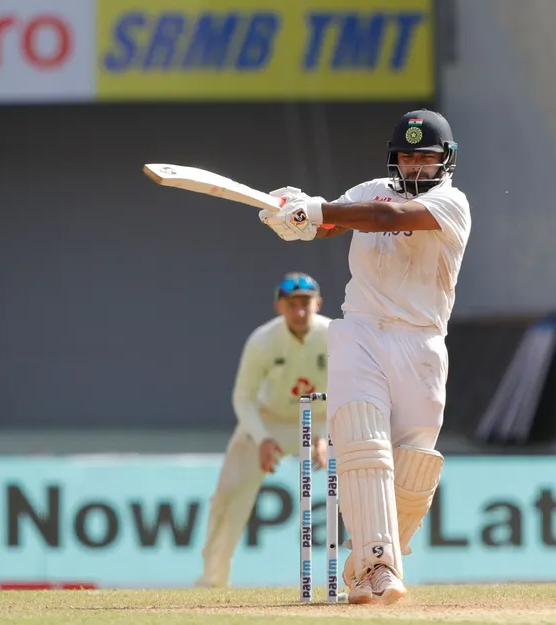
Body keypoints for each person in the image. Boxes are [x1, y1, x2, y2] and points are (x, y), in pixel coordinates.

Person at [258, 109, 471, 605]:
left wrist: (317, 211)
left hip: (421, 341)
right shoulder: (370, 189)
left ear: (445, 162)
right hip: (360, 332)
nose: (416, 167)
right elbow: (328, 225)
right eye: (407, 157)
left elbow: (385, 219)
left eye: (426, 158)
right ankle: (378, 568)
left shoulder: (452, 202)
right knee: (362, 445)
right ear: (393, 159)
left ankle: (364, 563)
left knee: (414, 465)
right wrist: (294, 215)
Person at [196, 272, 330, 588]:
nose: (299, 312)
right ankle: (212, 580)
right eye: (292, 304)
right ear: (279, 306)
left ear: (318, 303)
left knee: (358, 476)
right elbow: (243, 396)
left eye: (306, 304)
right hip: (268, 420)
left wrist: (327, 435)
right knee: (228, 494)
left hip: (322, 417)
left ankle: (369, 573)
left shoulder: (334, 334)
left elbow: (352, 387)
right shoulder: (263, 340)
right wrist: (262, 438)